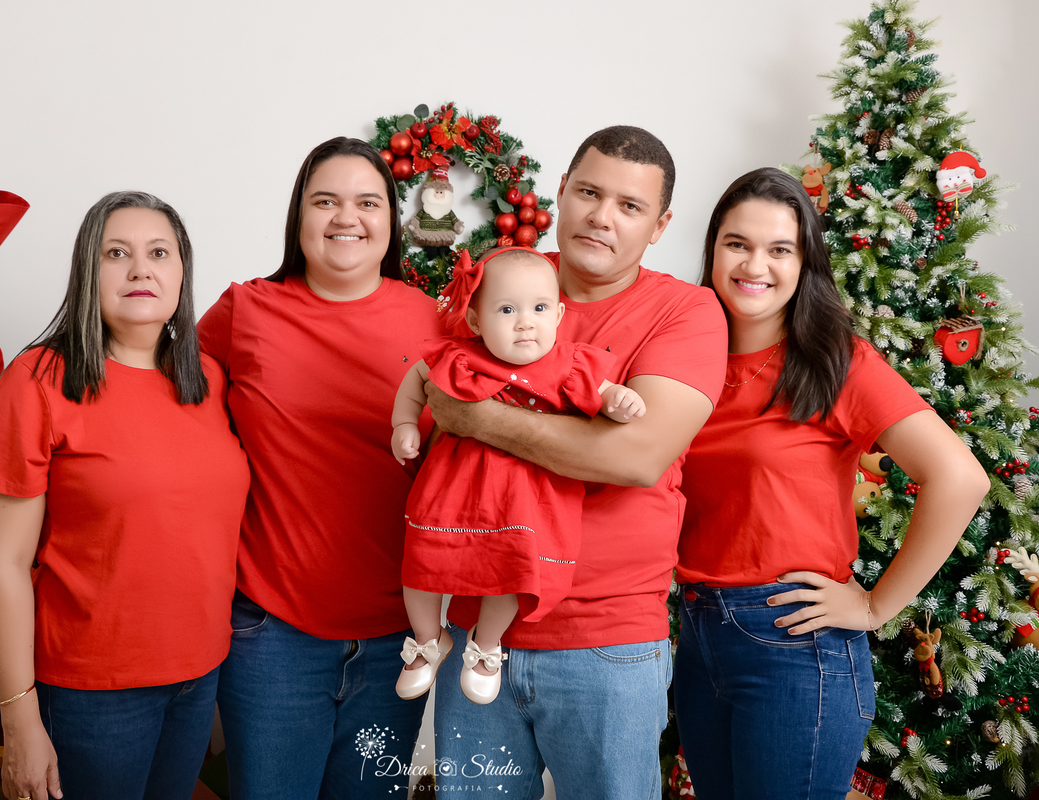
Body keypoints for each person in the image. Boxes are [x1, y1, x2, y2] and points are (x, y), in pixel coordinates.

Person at [425, 125, 728, 798]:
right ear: (560, 191)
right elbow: (429, 414)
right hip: (477, 631)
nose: (601, 215)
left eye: (630, 206)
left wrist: (479, 419)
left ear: (659, 225)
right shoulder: (496, 285)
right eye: (589, 192)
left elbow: (636, 458)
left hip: (607, 645)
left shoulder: (686, 312)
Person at [674, 167, 988, 799]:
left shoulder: (834, 360)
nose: (753, 264)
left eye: (779, 249)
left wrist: (876, 606)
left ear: (804, 262)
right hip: (696, 633)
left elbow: (959, 477)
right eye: (737, 244)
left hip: (794, 645)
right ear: (712, 250)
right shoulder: (682, 360)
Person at [0, 191, 250, 800]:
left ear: (182, 272)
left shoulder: (208, 379)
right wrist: (19, 717)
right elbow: (2, 563)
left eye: (160, 253)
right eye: (116, 253)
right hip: (91, 689)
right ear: (86, 271)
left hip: (198, 675)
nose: (140, 269)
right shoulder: (39, 380)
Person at [197, 137, 445, 800]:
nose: (346, 217)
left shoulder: (435, 322)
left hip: (399, 634)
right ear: (298, 215)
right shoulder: (244, 312)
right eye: (325, 200)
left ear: (390, 220)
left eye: (367, 202)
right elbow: (165, 411)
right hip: (273, 634)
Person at [391, 246, 645, 705]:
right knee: (422, 562)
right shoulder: (461, 356)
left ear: (560, 314)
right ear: (475, 321)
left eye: (540, 309)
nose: (525, 321)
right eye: (506, 309)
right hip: (452, 490)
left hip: (526, 501)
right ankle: (428, 640)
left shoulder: (569, 364)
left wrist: (619, 401)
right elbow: (417, 378)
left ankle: (487, 643)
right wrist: (404, 424)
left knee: (514, 571)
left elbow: (605, 393)